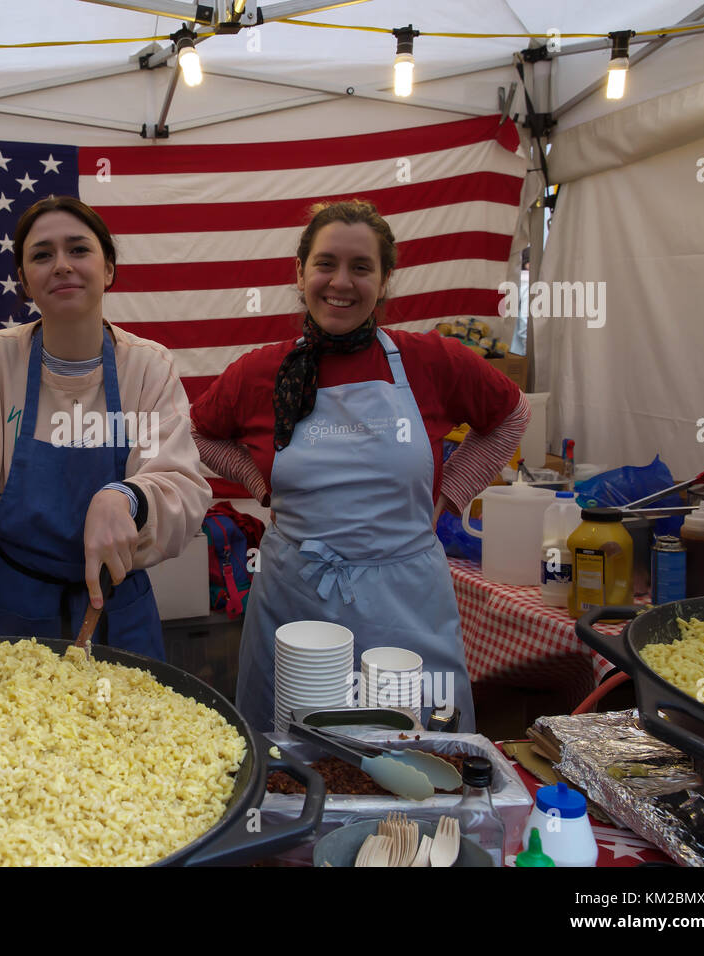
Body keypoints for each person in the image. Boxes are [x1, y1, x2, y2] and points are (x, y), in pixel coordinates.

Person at [191, 200, 530, 731]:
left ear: (385, 279)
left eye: (361, 267)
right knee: (291, 753)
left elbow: (510, 418)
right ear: (299, 273)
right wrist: (259, 484)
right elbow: (199, 433)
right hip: (293, 598)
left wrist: (449, 496)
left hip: (406, 598)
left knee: (419, 752)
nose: (340, 282)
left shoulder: (432, 361)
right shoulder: (261, 371)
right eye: (325, 264)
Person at [0, 196, 210, 659]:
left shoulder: (148, 369)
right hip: (8, 608)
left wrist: (129, 498)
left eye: (78, 250)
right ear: (24, 280)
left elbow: (179, 481)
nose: (62, 266)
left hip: (114, 610)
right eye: (42, 255)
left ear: (108, 268)